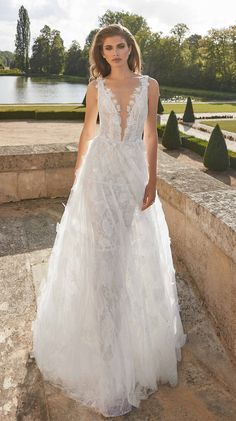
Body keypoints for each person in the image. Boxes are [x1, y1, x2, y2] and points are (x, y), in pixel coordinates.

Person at [32, 23, 187, 418]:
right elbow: (87, 132)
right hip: (100, 175)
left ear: (130, 48)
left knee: (133, 254)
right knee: (103, 257)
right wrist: (78, 174)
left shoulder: (149, 85)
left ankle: (132, 344)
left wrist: (152, 180)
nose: (115, 53)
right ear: (100, 53)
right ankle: (105, 353)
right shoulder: (96, 87)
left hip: (133, 172)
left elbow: (151, 133)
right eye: (107, 48)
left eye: (120, 46)